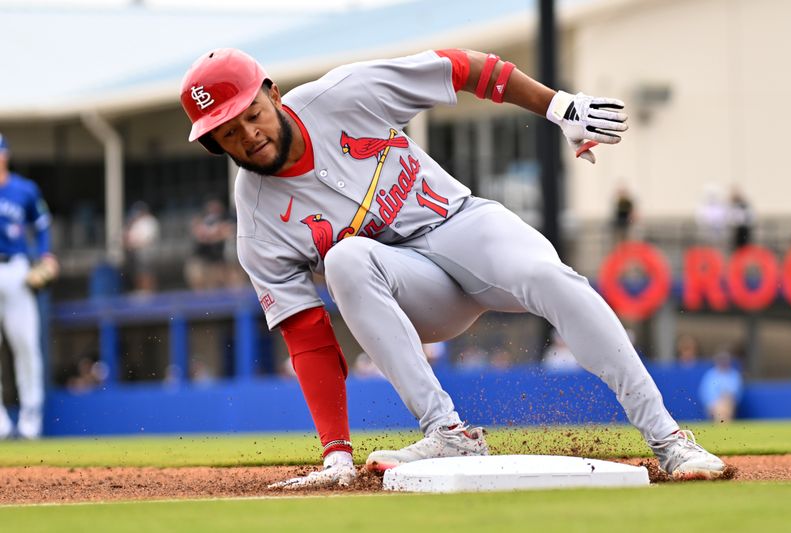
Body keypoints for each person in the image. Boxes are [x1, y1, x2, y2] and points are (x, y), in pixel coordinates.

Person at [179, 48, 725, 488]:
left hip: (463, 224)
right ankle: (448, 431)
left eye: (251, 114)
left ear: (271, 94)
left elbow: (462, 68)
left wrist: (557, 106)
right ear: (211, 143)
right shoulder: (256, 220)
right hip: (416, 291)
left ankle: (669, 440)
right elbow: (307, 336)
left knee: (551, 278)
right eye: (228, 131)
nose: (247, 135)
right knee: (345, 258)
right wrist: (336, 453)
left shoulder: (340, 94)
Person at [0, 133, 58, 439]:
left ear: (5, 155)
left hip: (16, 268)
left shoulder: (24, 189)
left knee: (26, 345)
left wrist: (45, 256)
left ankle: (30, 418)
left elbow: (42, 226)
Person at [185, 197, 235, 290]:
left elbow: (229, 232)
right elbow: (200, 235)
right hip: (200, 258)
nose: (214, 210)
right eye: (212, 208)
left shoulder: (226, 219)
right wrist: (214, 235)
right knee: (198, 280)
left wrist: (215, 235)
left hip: (217, 260)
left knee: (217, 284)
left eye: (217, 208)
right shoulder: (202, 220)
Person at [123, 201, 160, 293]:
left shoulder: (150, 221)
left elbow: (148, 239)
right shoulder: (134, 223)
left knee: (147, 275)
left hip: (147, 253)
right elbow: (126, 238)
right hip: (135, 254)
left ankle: (150, 294)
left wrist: (134, 243)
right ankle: (142, 293)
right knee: (138, 275)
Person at [698, 349, 743, 423]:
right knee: (720, 407)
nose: (723, 362)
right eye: (721, 359)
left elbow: (736, 392)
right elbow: (705, 393)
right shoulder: (710, 375)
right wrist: (713, 403)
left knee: (725, 406)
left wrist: (725, 399)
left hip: (729, 404)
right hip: (713, 405)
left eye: (725, 359)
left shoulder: (734, 375)